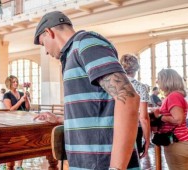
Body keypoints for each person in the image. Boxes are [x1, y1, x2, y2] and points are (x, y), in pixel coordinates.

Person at [33, 11, 140, 169]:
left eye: (43, 44)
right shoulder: (71, 55)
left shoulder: (86, 43)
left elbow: (128, 98)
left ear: (49, 32)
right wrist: (61, 119)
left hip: (104, 164)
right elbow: (98, 110)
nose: (46, 51)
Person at [152, 69, 188, 170]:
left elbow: (178, 119)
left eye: (159, 79)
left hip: (177, 143)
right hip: (179, 142)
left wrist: (160, 117)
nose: (157, 82)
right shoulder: (175, 96)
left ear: (167, 80)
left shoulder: (173, 96)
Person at [120, 54, 151, 158]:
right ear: (137, 68)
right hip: (134, 130)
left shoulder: (114, 86)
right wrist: (147, 140)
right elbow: (143, 118)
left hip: (116, 129)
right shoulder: (141, 87)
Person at [0, 75, 30, 170]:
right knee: (10, 144)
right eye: (13, 82)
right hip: (11, 122)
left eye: (16, 81)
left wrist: (27, 98)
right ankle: (4, 164)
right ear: (9, 84)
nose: (16, 83)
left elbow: (28, 108)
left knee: (22, 144)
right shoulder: (7, 95)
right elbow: (10, 110)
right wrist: (20, 101)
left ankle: (19, 166)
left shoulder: (21, 93)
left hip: (22, 121)